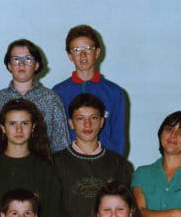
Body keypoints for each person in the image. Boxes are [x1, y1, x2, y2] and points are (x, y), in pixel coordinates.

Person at [54, 93, 132, 217]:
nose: (87, 124)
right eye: (80, 119)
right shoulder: (55, 163)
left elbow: (125, 210)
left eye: (94, 118)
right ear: (71, 123)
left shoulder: (119, 164)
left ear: (102, 121)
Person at [53, 25, 127, 156]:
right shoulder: (58, 92)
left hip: (104, 162)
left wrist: (115, 163)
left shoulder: (115, 93)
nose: (83, 55)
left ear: (97, 52)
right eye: (76, 50)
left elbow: (118, 138)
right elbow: (55, 136)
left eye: (88, 48)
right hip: (68, 162)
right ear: (70, 55)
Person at [0, 39, 69, 153]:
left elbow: (61, 143)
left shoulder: (51, 99)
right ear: (9, 65)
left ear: (36, 65)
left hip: (43, 161)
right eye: (16, 59)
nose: (21, 64)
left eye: (28, 59)